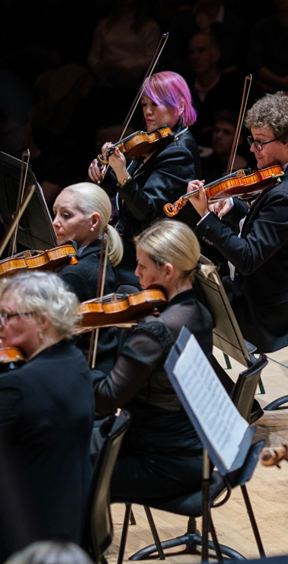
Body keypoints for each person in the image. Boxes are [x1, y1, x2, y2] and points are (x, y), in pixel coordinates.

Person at [189, 92, 288, 354]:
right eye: (252, 140)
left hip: (261, 308)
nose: (252, 149)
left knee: (185, 310)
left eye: (260, 142)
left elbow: (247, 258)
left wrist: (205, 217)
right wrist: (232, 205)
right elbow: (264, 218)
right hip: (268, 290)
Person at [92, 219, 212, 500]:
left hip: (159, 464)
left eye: (142, 266)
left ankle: (87, 529)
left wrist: (75, 363)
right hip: (193, 453)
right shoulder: (200, 314)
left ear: (167, 271)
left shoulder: (157, 329)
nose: (136, 274)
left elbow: (106, 399)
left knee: (62, 467)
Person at [0, 272, 94, 560]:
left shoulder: (20, 386)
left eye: (7, 316)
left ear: (43, 321)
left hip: (24, 534)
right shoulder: (74, 361)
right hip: (64, 522)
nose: (1, 325)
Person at [88, 70, 199, 285]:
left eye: (155, 104)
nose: (148, 111)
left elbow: (145, 212)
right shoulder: (154, 141)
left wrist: (122, 172)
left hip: (147, 258)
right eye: (144, 104)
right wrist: (104, 174)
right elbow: (121, 193)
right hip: (125, 243)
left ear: (180, 106)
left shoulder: (179, 152)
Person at [52, 182, 124, 373]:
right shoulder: (101, 254)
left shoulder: (76, 275)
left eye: (66, 215)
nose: (55, 222)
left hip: (77, 371)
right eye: (55, 213)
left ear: (93, 221)